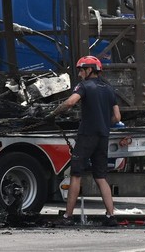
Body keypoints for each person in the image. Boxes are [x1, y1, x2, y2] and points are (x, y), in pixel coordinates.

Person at [48, 55, 121, 226]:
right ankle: (111, 216)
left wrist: (54, 113)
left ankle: (67, 216)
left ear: (90, 70)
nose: (80, 74)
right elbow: (117, 117)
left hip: (87, 136)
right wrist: (104, 123)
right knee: (101, 176)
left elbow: (71, 102)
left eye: (81, 70)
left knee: (76, 174)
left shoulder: (84, 86)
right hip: (103, 136)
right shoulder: (109, 89)